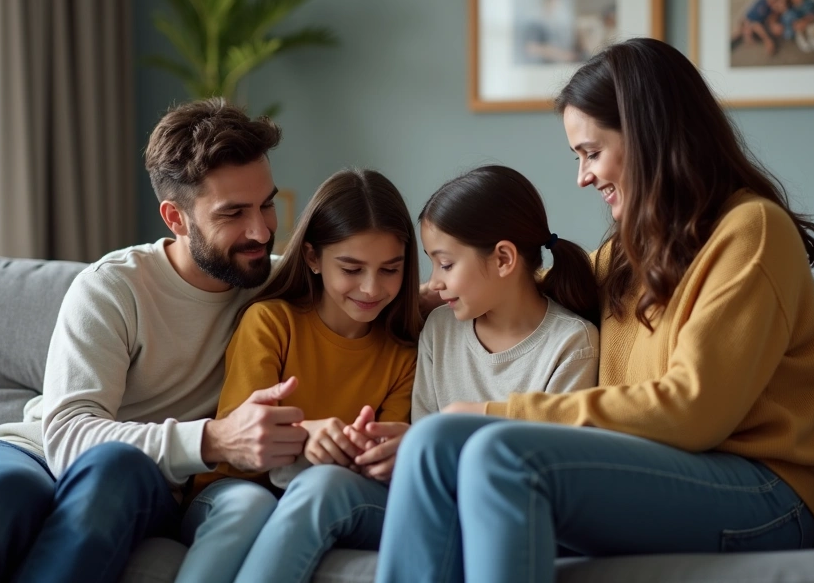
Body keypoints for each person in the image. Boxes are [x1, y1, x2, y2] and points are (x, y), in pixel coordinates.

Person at [374, 38, 814, 583]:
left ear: (650, 138)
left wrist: (492, 415)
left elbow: (693, 411)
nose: (582, 177)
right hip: (669, 474)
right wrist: (414, 297)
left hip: (767, 491)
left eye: (591, 153)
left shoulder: (751, 232)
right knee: (433, 443)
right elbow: (512, 291)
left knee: (499, 454)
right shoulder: (628, 253)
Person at [0, 99, 310, 583]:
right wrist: (215, 438)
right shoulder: (114, 286)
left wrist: (417, 296)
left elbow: (363, 284)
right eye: (233, 213)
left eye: (267, 204)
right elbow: (67, 437)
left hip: (133, 483)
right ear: (175, 218)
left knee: (117, 467)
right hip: (25, 456)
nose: (261, 230)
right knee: (0, 494)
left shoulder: (278, 281)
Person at [232, 164, 601, 583]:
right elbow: (419, 442)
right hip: (423, 496)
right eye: (429, 264)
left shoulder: (572, 344)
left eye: (444, 265)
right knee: (323, 487)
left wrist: (428, 446)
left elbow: (553, 467)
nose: (434, 283)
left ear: (503, 259)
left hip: (504, 508)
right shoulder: (440, 329)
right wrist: (389, 453)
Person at [174, 168, 423, 583]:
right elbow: (241, 437)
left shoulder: (404, 356)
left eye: (390, 270)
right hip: (231, 490)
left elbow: (378, 462)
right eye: (352, 268)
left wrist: (370, 451)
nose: (370, 288)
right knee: (251, 505)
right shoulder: (271, 322)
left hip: (329, 489)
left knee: (323, 484)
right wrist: (307, 433)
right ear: (312, 257)